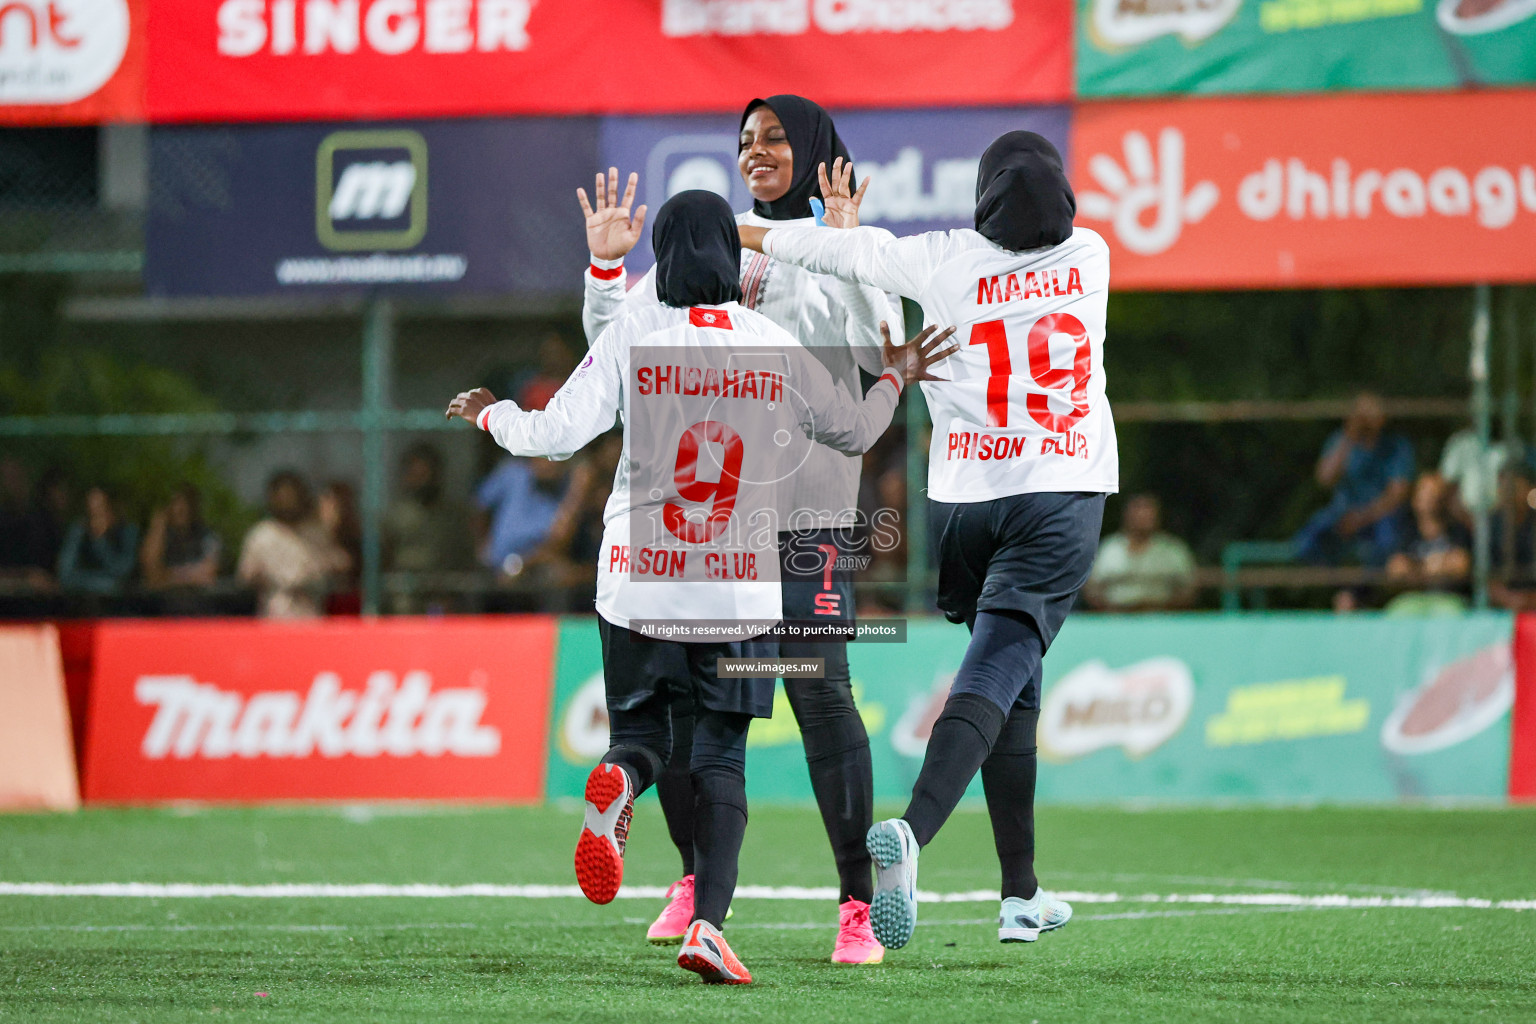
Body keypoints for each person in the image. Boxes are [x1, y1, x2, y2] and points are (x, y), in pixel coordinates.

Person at [447, 190, 953, 985]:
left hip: (637, 582)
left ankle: (623, 778)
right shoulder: (773, 345)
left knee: (648, 736)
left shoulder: (634, 336)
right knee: (721, 756)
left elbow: (552, 435)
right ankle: (710, 927)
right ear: (730, 257)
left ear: (666, 263)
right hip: (736, 585)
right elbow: (855, 430)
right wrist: (895, 375)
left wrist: (489, 416)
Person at [738, 130, 1115, 951]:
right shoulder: (1091, 256)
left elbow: (833, 253)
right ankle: (913, 832)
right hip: (1056, 493)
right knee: (1002, 660)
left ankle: (1021, 892)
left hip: (964, 508)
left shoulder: (942, 259)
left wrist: (735, 227)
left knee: (1015, 677)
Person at [578, 94, 900, 963]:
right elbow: (610, 350)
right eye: (745, 139)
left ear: (816, 149)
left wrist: (847, 251)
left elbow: (880, 356)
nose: (754, 151)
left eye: (774, 139)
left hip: (808, 526)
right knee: (688, 709)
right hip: (711, 535)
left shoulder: (843, 245)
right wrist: (605, 276)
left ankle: (856, 906)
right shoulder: (708, 240)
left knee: (818, 689)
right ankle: (692, 882)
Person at [1294, 393, 1413, 566]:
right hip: (1341, 511)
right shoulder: (1340, 440)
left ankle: (1360, 590)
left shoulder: (1397, 446)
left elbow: (1397, 495)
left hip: (1380, 515)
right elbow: (1324, 479)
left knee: (1387, 546)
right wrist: (1349, 438)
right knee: (1304, 543)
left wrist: (1361, 518)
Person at [237, 470, 347, 619]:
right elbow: (245, 577)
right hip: (274, 615)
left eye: (292, 496)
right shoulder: (261, 534)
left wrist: (331, 526)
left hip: (310, 615)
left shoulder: (314, 533)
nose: (288, 501)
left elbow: (341, 564)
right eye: (283, 496)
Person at [384, 444, 475, 612]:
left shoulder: (452, 514)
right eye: (415, 474)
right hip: (407, 587)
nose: (421, 480)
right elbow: (385, 555)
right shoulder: (397, 515)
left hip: (445, 587)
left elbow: (465, 555)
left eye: (425, 473)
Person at [1084, 494, 1196, 611]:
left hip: (1163, 619)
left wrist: (1166, 608)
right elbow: (1091, 588)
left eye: (1148, 512)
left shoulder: (1173, 549)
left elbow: (1188, 588)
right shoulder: (1109, 548)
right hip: (1114, 619)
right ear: (1127, 516)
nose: (1142, 517)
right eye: (1138, 511)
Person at [57, 486, 140, 596]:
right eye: (92, 512)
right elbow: (65, 575)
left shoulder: (128, 530)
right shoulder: (79, 530)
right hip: (80, 600)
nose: (97, 518)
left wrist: (100, 542)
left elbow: (124, 573)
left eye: (102, 510)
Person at [140, 484, 222, 590]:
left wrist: (167, 576)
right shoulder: (163, 536)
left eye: (186, 504)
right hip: (163, 601)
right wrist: (158, 527)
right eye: (176, 504)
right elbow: (150, 572)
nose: (181, 509)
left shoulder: (208, 537)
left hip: (198, 600)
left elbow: (208, 575)